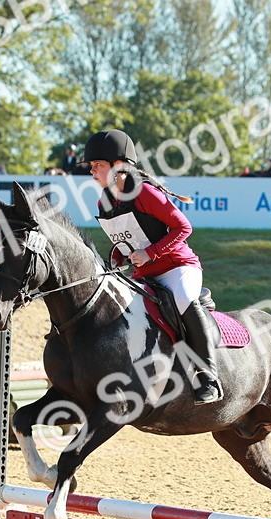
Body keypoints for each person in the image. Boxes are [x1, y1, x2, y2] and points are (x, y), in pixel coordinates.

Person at [84, 128, 222, 404]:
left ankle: (209, 375)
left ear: (119, 166)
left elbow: (183, 226)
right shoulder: (104, 201)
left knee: (182, 298)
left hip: (178, 267)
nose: (92, 171)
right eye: (92, 166)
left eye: (98, 165)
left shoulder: (145, 193)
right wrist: (122, 257)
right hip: (144, 274)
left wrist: (151, 252)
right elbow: (128, 240)